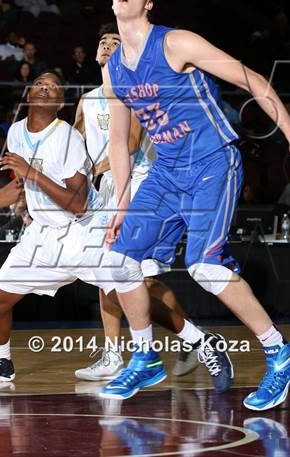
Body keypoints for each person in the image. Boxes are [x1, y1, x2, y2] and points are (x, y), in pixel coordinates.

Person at [100, 0, 290, 410]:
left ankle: (282, 353)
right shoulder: (113, 70)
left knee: (206, 267)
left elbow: (250, 78)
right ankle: (144, 357)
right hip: (165, 173)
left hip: (211, 163)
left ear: (148, 4)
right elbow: (119, 142)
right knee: (118, 262)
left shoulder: (175, 42)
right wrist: (121, 203)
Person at [0, 71, 224, 386]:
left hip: (83, 229)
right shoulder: (15, 133)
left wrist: (32, 174)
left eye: (52, 86)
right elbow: (19, 188)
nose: (44, 87)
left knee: (128, 295)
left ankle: (201, 341)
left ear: (61, 102)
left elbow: (78, 203)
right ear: (28, 93)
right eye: (39, 83)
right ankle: (1, 362)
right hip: (43, 234)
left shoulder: (67, 137)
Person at [74, 23, 203, 380]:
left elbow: (130, 144)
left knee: (143, 279)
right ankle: (114, 355)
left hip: (142, 186)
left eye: (114, 41)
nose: (106, 45)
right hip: (106, 190)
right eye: (102, 40)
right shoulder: (87, 100)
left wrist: (98, 168)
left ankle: (190, 339)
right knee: (105, 273)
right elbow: (78, 144)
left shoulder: (134, 90)